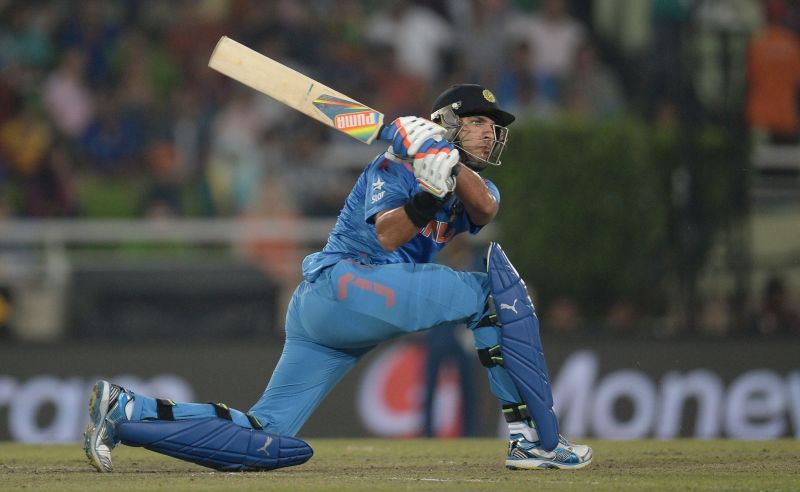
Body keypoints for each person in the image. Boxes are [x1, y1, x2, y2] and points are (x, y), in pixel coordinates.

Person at [83, 84, 593, 472]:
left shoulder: (478, 182)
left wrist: (446, 161)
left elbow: (482, 206)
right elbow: (390, 235)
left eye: (493, 124)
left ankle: (127, 412)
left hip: (334, 308)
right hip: (346, 283)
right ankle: (533, 440)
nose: (489, 131)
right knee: (489, 296)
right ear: (448, 122)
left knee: (267, 433)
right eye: (478, 121)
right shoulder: (393, 164)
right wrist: (424, 187)